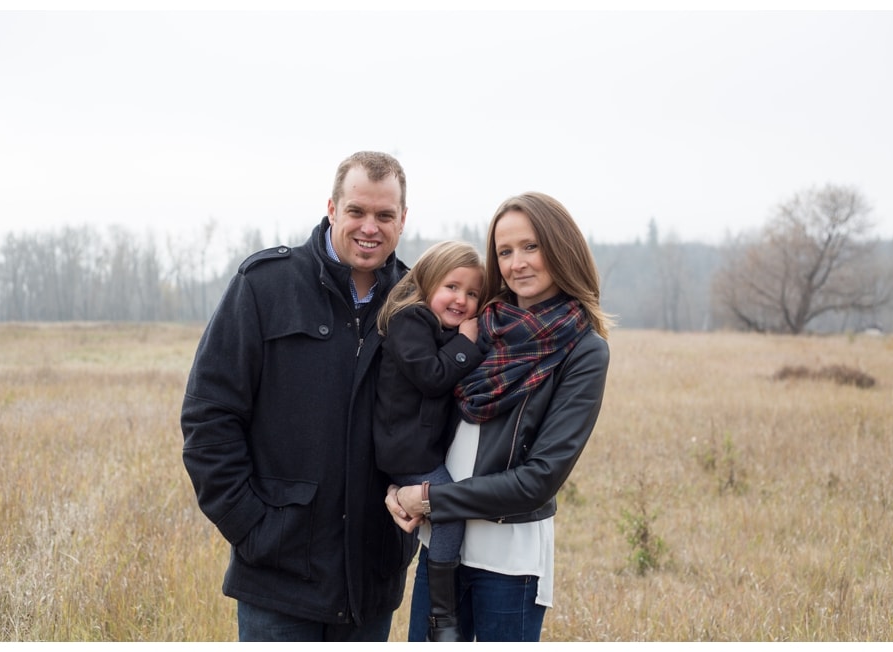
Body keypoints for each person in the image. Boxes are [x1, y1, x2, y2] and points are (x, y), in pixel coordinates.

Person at [181, 151, 416, 642]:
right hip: (278, 581)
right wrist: (253, 530)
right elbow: (209, 418)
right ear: (332, 208)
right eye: (356, 211)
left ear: (403, 219)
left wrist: (400, 541)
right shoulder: (265, 286)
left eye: (384, 215)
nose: (369, 227)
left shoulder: (415, 301)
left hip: (370, 580)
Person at [385, 192, 612, 642]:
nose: (517, 263)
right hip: (441, 548)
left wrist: (428, 499)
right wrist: (397, 486)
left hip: (509, 563)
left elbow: (538, 479)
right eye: (504, 252)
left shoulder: (584, 350)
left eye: (531, 246)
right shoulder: (478, 325)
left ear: (560, 248)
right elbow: (415, 420)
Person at [372, 240, 486, 642]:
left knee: (446, 510)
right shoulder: (410, 321)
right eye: (452, 287)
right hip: (406, 450)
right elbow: (432, 376)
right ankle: (442, 616)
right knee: (450, 510)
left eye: (473, 294)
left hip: (417, 448)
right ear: (428, 283)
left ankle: (441, 609)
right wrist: (467, 344)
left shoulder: (435, 327)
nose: (462, 300)